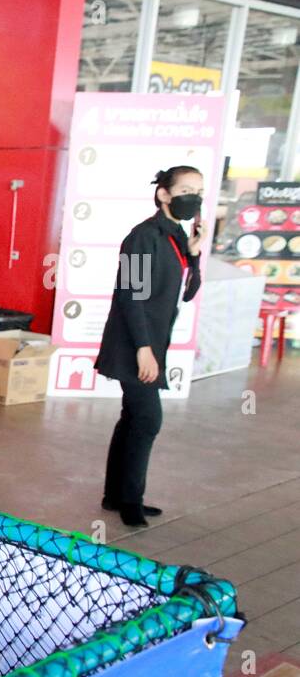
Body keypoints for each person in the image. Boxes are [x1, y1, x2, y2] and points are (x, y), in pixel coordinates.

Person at [95, 166, 204, 527]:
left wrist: (195, 255)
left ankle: (115, 496)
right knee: (147, 419)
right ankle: (131, 503)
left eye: (199, 191)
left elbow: (187, 293)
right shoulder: (143, 236)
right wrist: (143, 348)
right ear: (163, 194)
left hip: (150, 341)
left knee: (132, 418)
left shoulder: (176, 237)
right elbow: (131, 294)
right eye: (186, 189)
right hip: (134, 342)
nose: (194, 197)